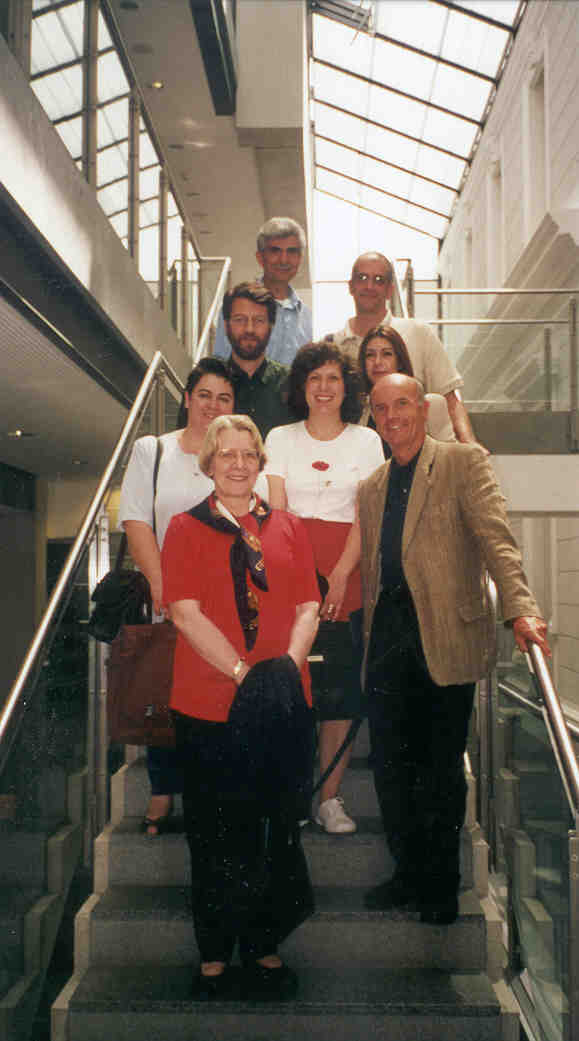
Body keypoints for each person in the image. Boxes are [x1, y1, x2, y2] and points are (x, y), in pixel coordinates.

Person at [359, 373, 550, 924]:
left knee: (440, 769)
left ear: (423, 408)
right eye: (382, 408)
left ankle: (439, 887)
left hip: (446, 634)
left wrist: (519, 607)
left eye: (402, 404)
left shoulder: (462, 462)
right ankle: (407, 873)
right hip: (389, 638)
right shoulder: (371, 486)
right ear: (373, 416)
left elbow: (497, 539)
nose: (392, 415)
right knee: (392, 769)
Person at [161, 415, 320, 999]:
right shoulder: (183, 527)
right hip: (209, 706)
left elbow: (308, 603)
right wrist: (241, 674)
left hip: (279, 701)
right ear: (208, 463)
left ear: (260, 461)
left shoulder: (288, 527)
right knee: (214, 830)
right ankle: (214, 949)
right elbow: (184, 611)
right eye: (224, 454)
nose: (236, 463)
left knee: (273, 827)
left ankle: (264, 941)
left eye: (247, 454)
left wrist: (283, 671)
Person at [265, 342, 384, 834]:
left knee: (337, 693)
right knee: (291, 689)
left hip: (347, 572)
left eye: (333, 378)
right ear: (301, 387)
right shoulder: (279, 437)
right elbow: (275, 513)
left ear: (347, 386)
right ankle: (293, 796)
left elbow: (367, 514)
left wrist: (339, 574)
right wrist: (301, 581)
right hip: (289, 571)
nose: (323, 388)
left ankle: (329, 799)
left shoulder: (365, 441)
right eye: (314, 378)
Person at [117, 357, 235, 836]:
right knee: (164, 698)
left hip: (224, 602)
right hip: (168, 595)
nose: (212, 405)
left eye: (224, 398)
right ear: (186, 398)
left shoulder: (237, 452)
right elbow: (136, 519)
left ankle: (213, 789)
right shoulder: (155, 450)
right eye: (204, 395)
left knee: (214, 696)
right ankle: (163, 791)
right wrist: (163, 585)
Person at [327, 251, 476, 444]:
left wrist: (471, 445)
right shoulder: (334, 346)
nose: (369, 286)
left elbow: (450, 400)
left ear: (390, 290)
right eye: (362, 278)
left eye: (378, 280)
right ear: (351, 286)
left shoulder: (419, 333)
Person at [213, 217, 312, 365]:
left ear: (300, 259)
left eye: (292, 251)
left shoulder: (307, 317)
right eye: (275, 251)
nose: (284, 260)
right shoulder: (235, 308)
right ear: (260, 258)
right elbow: (220, 364)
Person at [358, 323, 454, 448]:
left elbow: (450, 459)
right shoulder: (358, 411)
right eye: (370, 355)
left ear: (399, 362)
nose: (377, 362)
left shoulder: (432, 405)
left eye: (386, 354)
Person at [222, 281, 292, 438]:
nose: (249, 329)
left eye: (259, 320)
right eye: (240, 320)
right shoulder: (210, 385)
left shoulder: (291, 383)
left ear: (271, 326)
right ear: (226, 325)